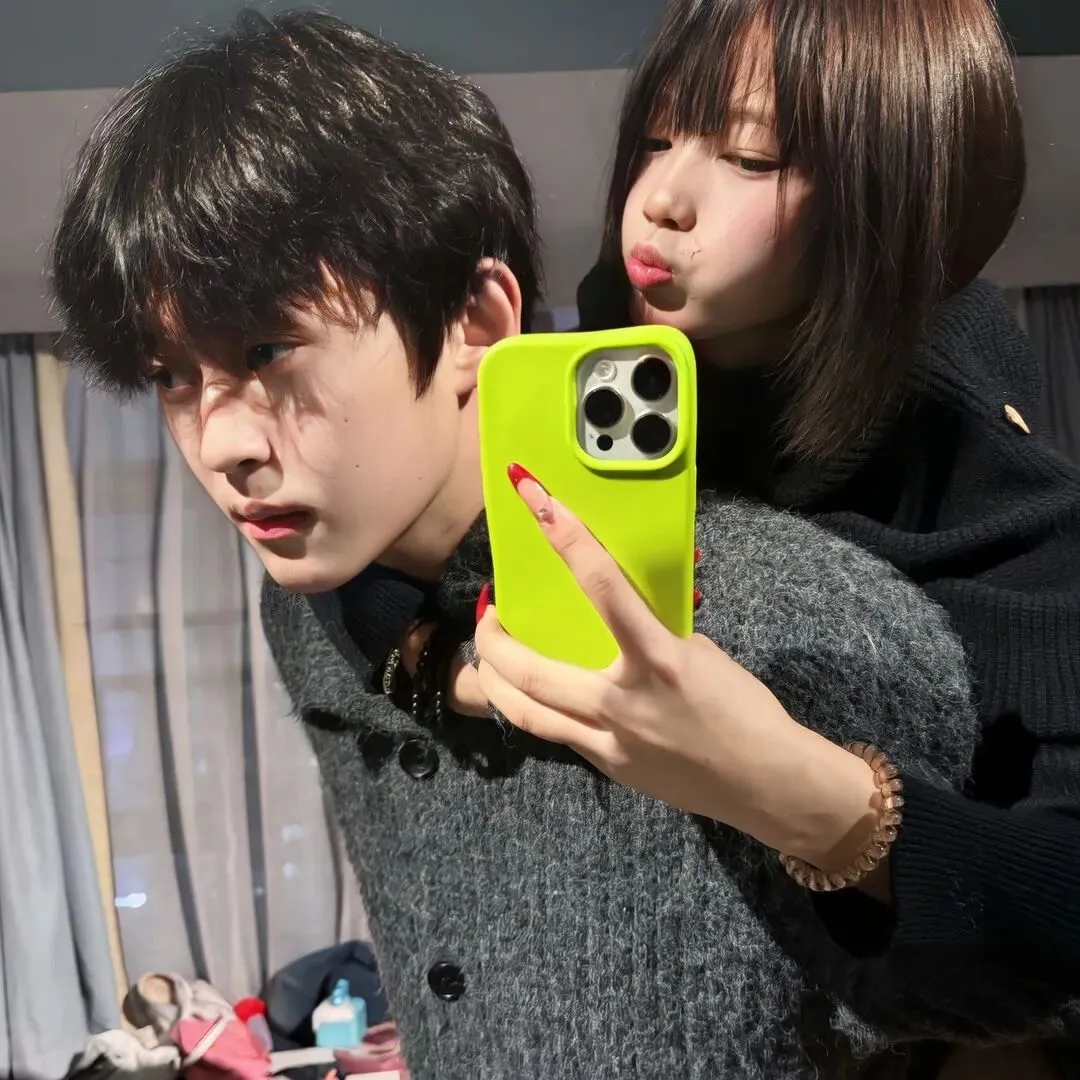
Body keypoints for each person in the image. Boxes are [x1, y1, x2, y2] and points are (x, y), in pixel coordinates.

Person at [44, 9, 1068, 1080]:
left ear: (478, 324)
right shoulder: (313, 588)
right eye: (170, 376)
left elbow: (1004, 1002)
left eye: (268, 350)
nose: (220, 445)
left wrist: (804, 796)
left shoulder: (854, 576)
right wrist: (449, 667)